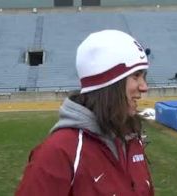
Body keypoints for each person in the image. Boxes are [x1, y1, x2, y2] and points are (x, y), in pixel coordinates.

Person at [15, 30, 154, 196]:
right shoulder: (58, 153)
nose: (144, 86)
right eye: (136, 76)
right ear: (108, 83)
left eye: (143, 76)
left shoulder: (131, 138)